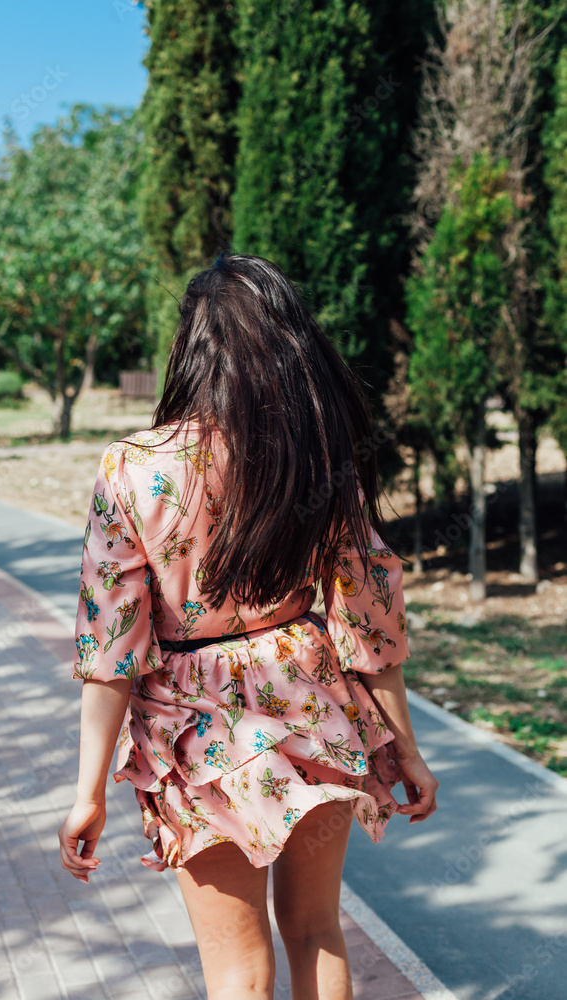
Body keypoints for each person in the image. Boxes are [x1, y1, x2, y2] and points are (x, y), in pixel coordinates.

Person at [58, 250, 438, 1000]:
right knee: (316, 931)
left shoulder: (133, 468)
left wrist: (88, 791)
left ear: (190, 350)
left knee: (236, 970)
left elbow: (112, 649)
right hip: (311, 705)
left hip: (196, 730)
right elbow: (367, 618)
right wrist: (408, 751)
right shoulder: (313, 455)